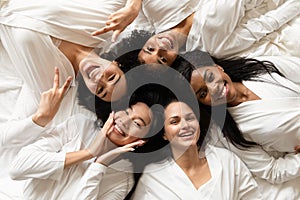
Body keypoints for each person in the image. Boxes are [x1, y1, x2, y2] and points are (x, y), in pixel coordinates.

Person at [8, 69, 162, 199]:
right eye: (127, 112)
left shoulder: (123, 179)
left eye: (137, 123)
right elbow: (18, 168)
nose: (125, 122)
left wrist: (99, 165)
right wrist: (88, 153)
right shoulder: (80, 126)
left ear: (144, 140)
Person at [174, 50, 300, 199]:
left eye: (210, 77)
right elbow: (272, 171)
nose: (214, 89)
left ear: (217, 67)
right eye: (203, 93)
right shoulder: (230, 133)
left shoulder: (259, 70)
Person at [132, 93, 262, 199]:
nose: (185, 125)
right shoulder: (153, 177)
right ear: (164, 133)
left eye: (190, 118)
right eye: (174, 122)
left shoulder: (226, 160)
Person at [98, 0, 300, 64]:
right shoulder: (212, 46)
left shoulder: (153, 11)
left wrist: (132, 7)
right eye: (162, 59)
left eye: (150, 48)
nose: (160, 48)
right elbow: (265, 25)